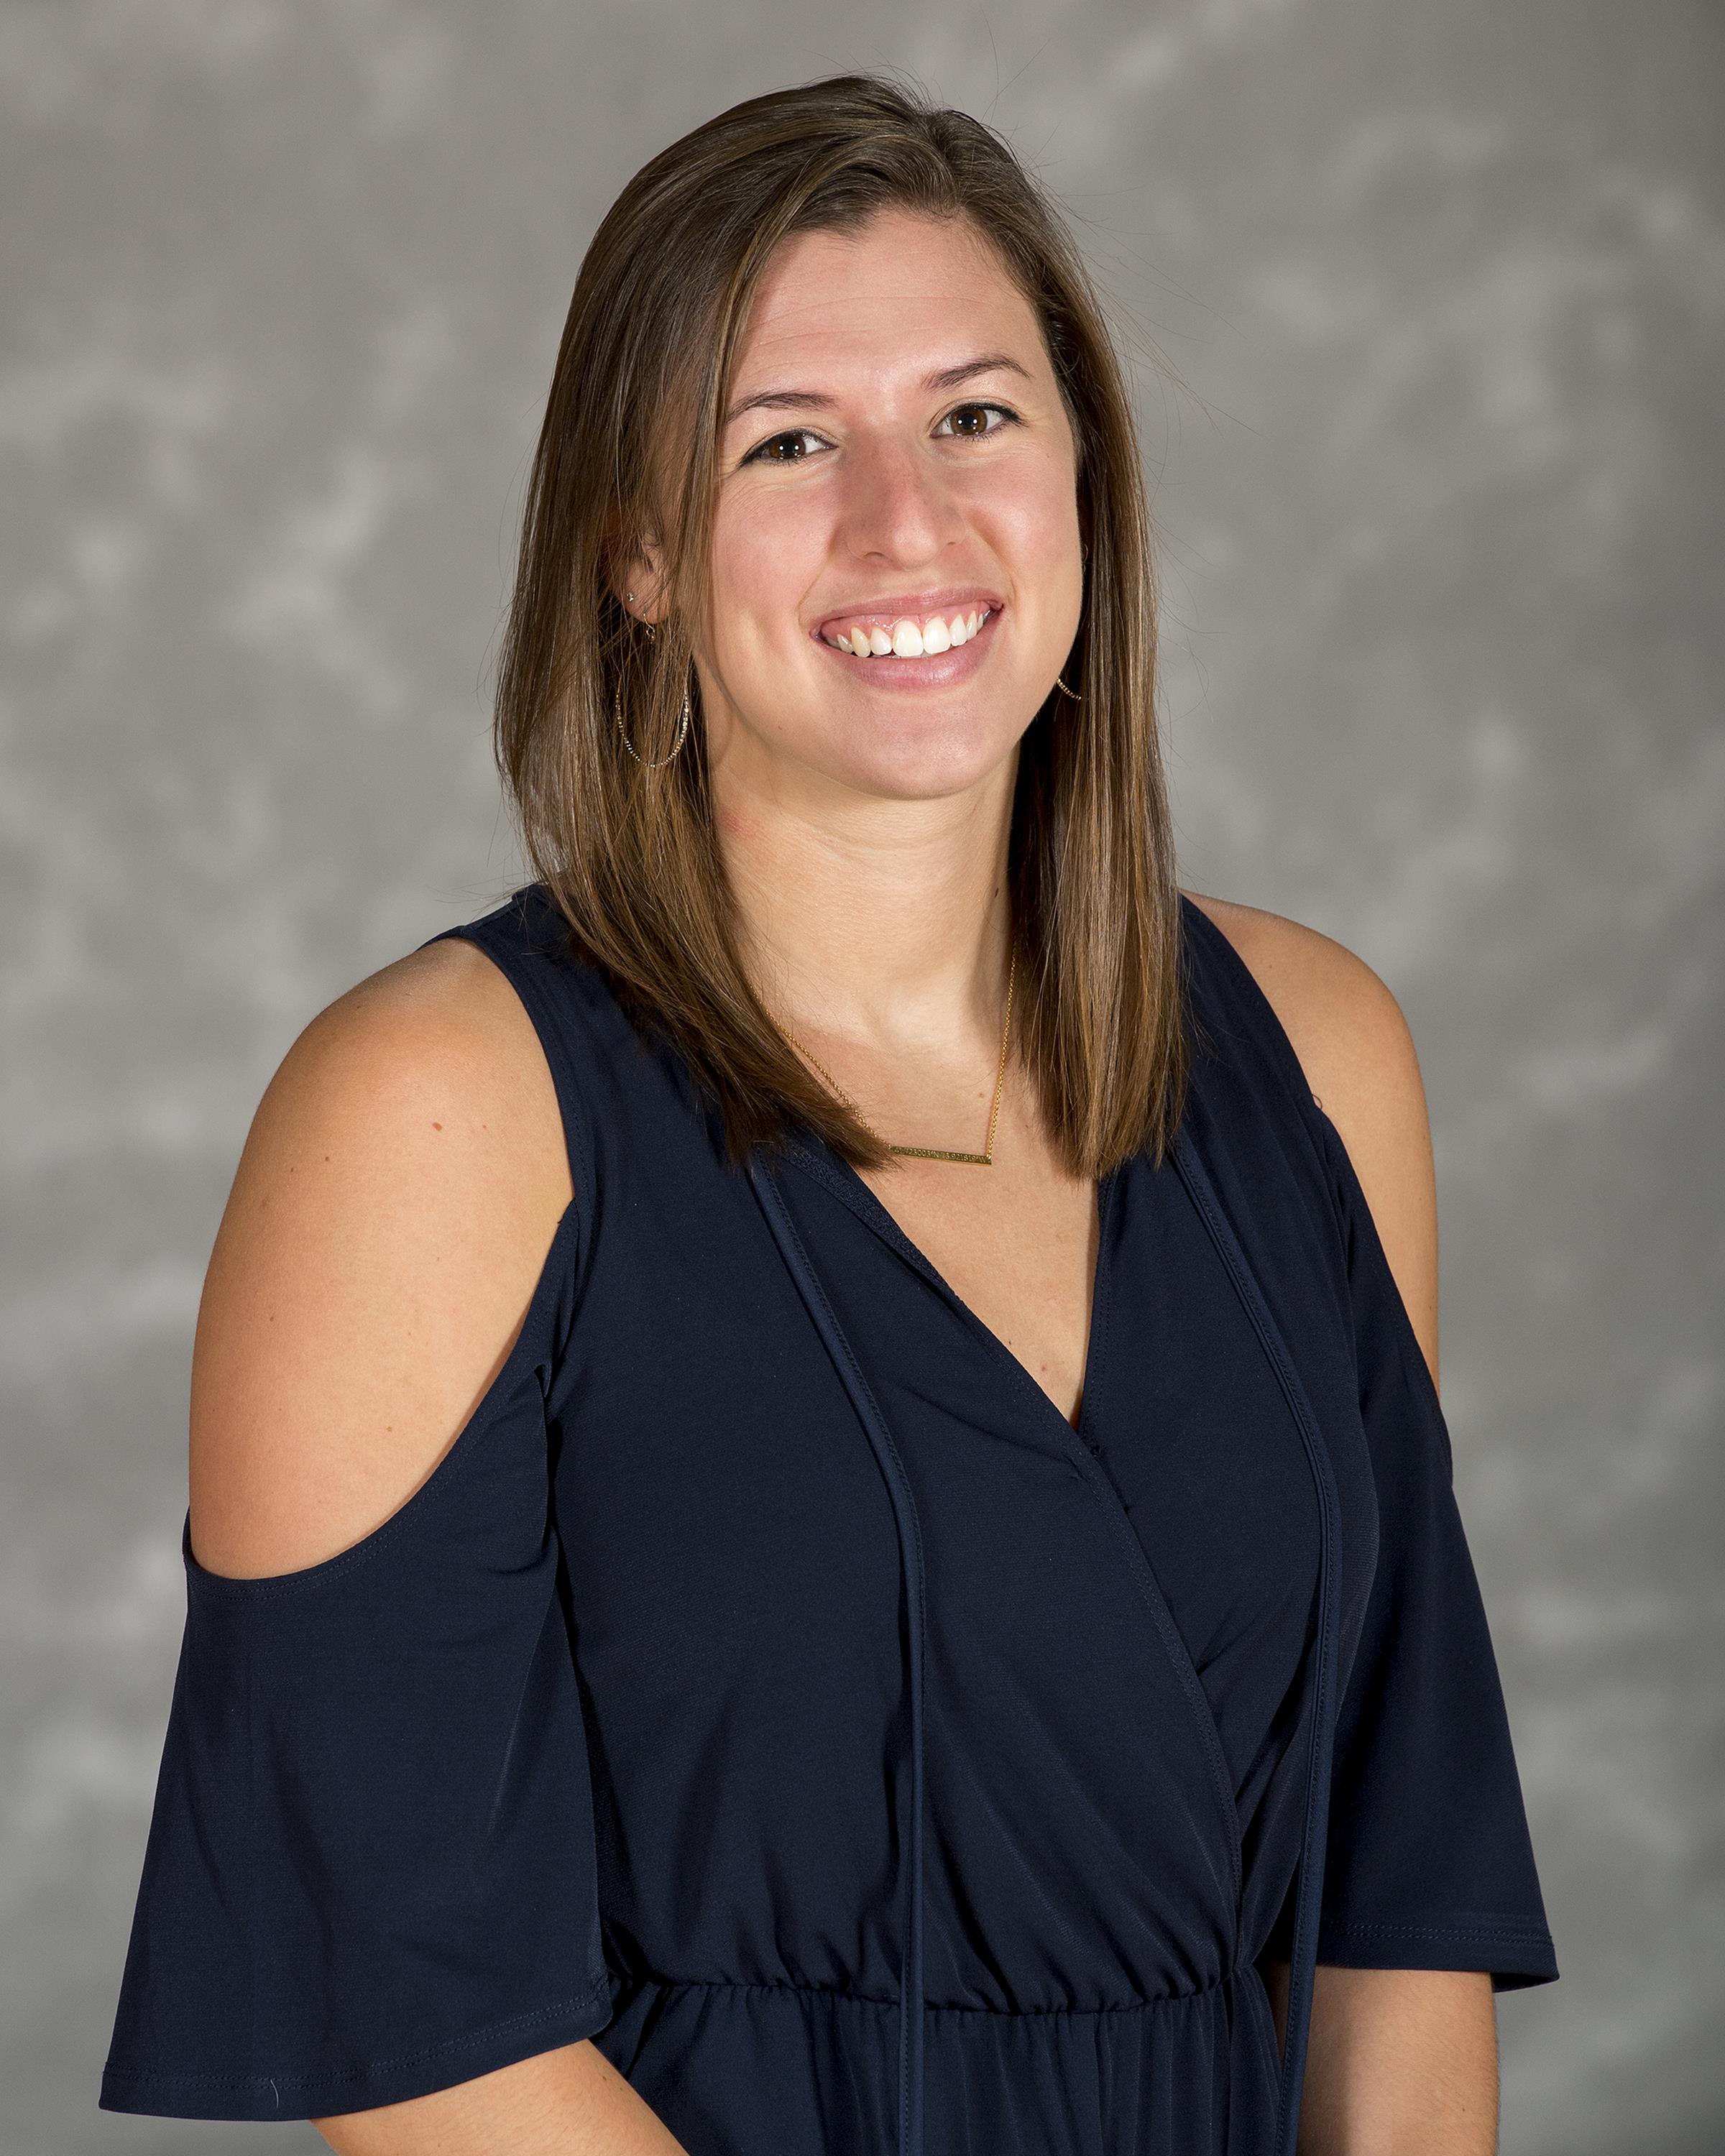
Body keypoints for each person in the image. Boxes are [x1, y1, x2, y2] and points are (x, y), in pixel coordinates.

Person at [98, 71, 1557, 2156]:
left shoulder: (1317, 1054)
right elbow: (419, 2031)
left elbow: (1395, 1892)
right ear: (634, 553)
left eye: (976, 416)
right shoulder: (431, 1113)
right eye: (786, 442)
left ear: (1084, 476)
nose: (909, 522)